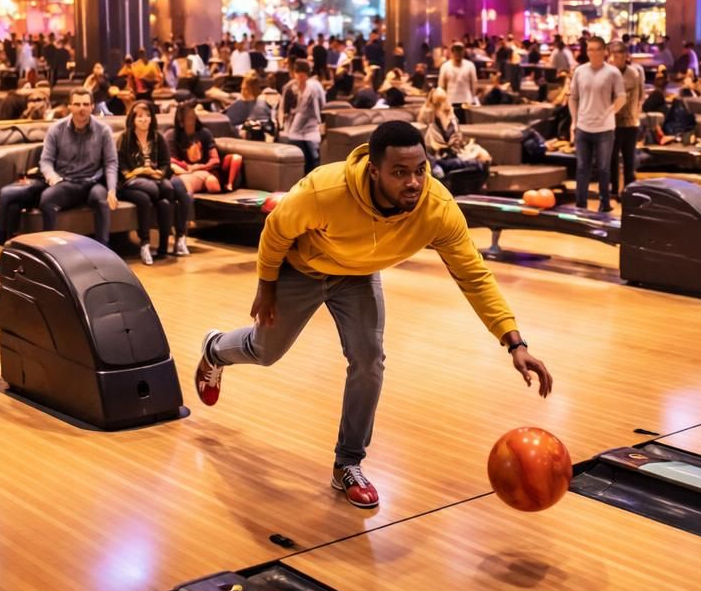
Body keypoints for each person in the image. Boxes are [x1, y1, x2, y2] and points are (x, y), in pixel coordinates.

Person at [195, 121, 553, 509]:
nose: (413, 182)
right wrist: (266, 285)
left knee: (369, 360)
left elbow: (473, 275)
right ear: (374, 170)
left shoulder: (437, 208)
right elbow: (276, 229)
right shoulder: (325, 189)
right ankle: (216, 349)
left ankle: (347, 463)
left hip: (357, 276)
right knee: (265, 352)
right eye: (400, 172)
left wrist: (513, 341)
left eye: (419, 170)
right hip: (302, 268)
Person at [1, 87, 119, 247]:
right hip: (65, 182)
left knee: (101, 199)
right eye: (77, 104)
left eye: (85, 104)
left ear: (92, 106)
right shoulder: (57, 129)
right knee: (47, 198)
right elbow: (46, 161)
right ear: (70, 106)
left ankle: (103, 248)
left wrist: (112, 189)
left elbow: (111, 162)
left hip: (92, 182)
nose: (81, 108)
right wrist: (52, 177)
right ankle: (50, 248)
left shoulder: (103, 130)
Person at [117, 100, 191, 263]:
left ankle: (166, 246)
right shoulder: (125, 138)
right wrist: (140, 171)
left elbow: (165, 163)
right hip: (132, 180)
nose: (144, 120)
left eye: (147, 116)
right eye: (140, 117)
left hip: (155, 179)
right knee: (154, 191)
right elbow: (121, 165)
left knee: (166, 197)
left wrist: (159, 173)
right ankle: (146, 243)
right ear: (133, 119)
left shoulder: (158, 137)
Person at [567, 36, 625, 212]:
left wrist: (611, 111)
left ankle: (604, 203)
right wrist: (574, 121)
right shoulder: (580, 71)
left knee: (603, 168)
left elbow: (621, 97)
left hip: (605, 129)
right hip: (583, 126)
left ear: (603, 51)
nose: (591, 53)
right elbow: (573, 97)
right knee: (582, 167)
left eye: (595, 49)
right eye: (589, 49)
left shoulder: (612, 73)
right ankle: (581, 204)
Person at [419, 88, 490, 194]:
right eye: (439, 102)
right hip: (439, 157)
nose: (444, 104)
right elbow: (432, 145)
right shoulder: (429, 117)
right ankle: (476, 190)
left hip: (454, 152)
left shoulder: (451, 116)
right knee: (477, 164)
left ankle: (480, 188)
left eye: (444, 101)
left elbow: (458, 141)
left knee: (484, 157)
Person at [171, 101, 242, 194]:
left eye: (193, 117)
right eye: (188, 119)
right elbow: (172, 162)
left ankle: (228, 185)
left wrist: (200, 167)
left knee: (212, 184)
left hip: (206, 172)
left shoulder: (204, 133)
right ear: (180, 122)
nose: (191, 121)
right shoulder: (172, 136)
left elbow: (215, 160)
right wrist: (187, 168)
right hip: (184, 172)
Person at [609, 44, 645, 194]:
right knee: (612, 157)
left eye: (620, 55)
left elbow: (640, 95)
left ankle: (629, 190)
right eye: (614, 56)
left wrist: (637, 112)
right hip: (613, 122)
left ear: (626, 56)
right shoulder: (609, 73)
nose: (617, 59)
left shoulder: (635, 73)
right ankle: (614, 188)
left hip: (631, 121)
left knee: (629, 158)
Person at [279, 58, 324, 173]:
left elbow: (322, 106)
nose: (301, 78)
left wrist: (322, 123)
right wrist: (283, 125)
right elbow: (284, 109)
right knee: (301, 159)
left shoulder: (314, 87)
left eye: (303, 75)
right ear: (294, 74)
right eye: (299, 75)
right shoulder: (290, 88)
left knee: (313, 158)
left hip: (312, 127)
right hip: (295, 129)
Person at [437, 42, 478, 118]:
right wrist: (442, 102)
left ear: (463, 52)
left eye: (460, 51)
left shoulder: (470, 65)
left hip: (466, 101)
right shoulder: (445, 66)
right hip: (450, 101)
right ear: (452, 52)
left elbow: (474, 84)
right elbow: (441, 86)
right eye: (455, 51)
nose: (458, 53)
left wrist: (473, 98)